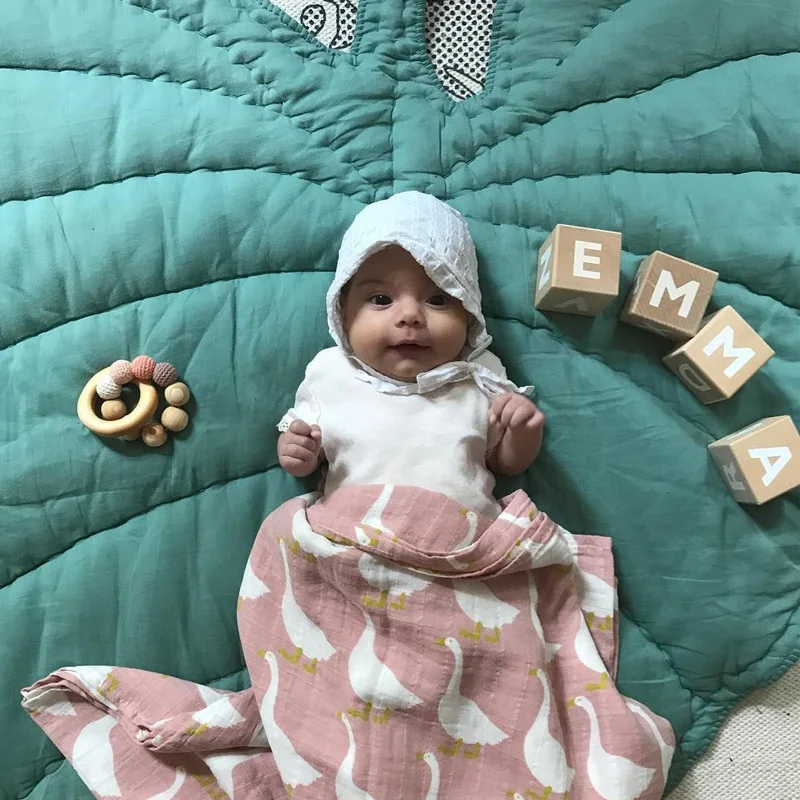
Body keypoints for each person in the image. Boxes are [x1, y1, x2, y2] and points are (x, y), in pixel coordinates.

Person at [277, 191, 544, 519]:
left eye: (437, 300)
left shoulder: (479, 375)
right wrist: (297, 453)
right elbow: (305, 449)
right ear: (342, 313)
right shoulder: (332, 371)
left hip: (462, 538)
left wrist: (522, 433)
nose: (410, 316)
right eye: (380, 299)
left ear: (469, 313)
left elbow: (504, 464)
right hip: (352, 533)